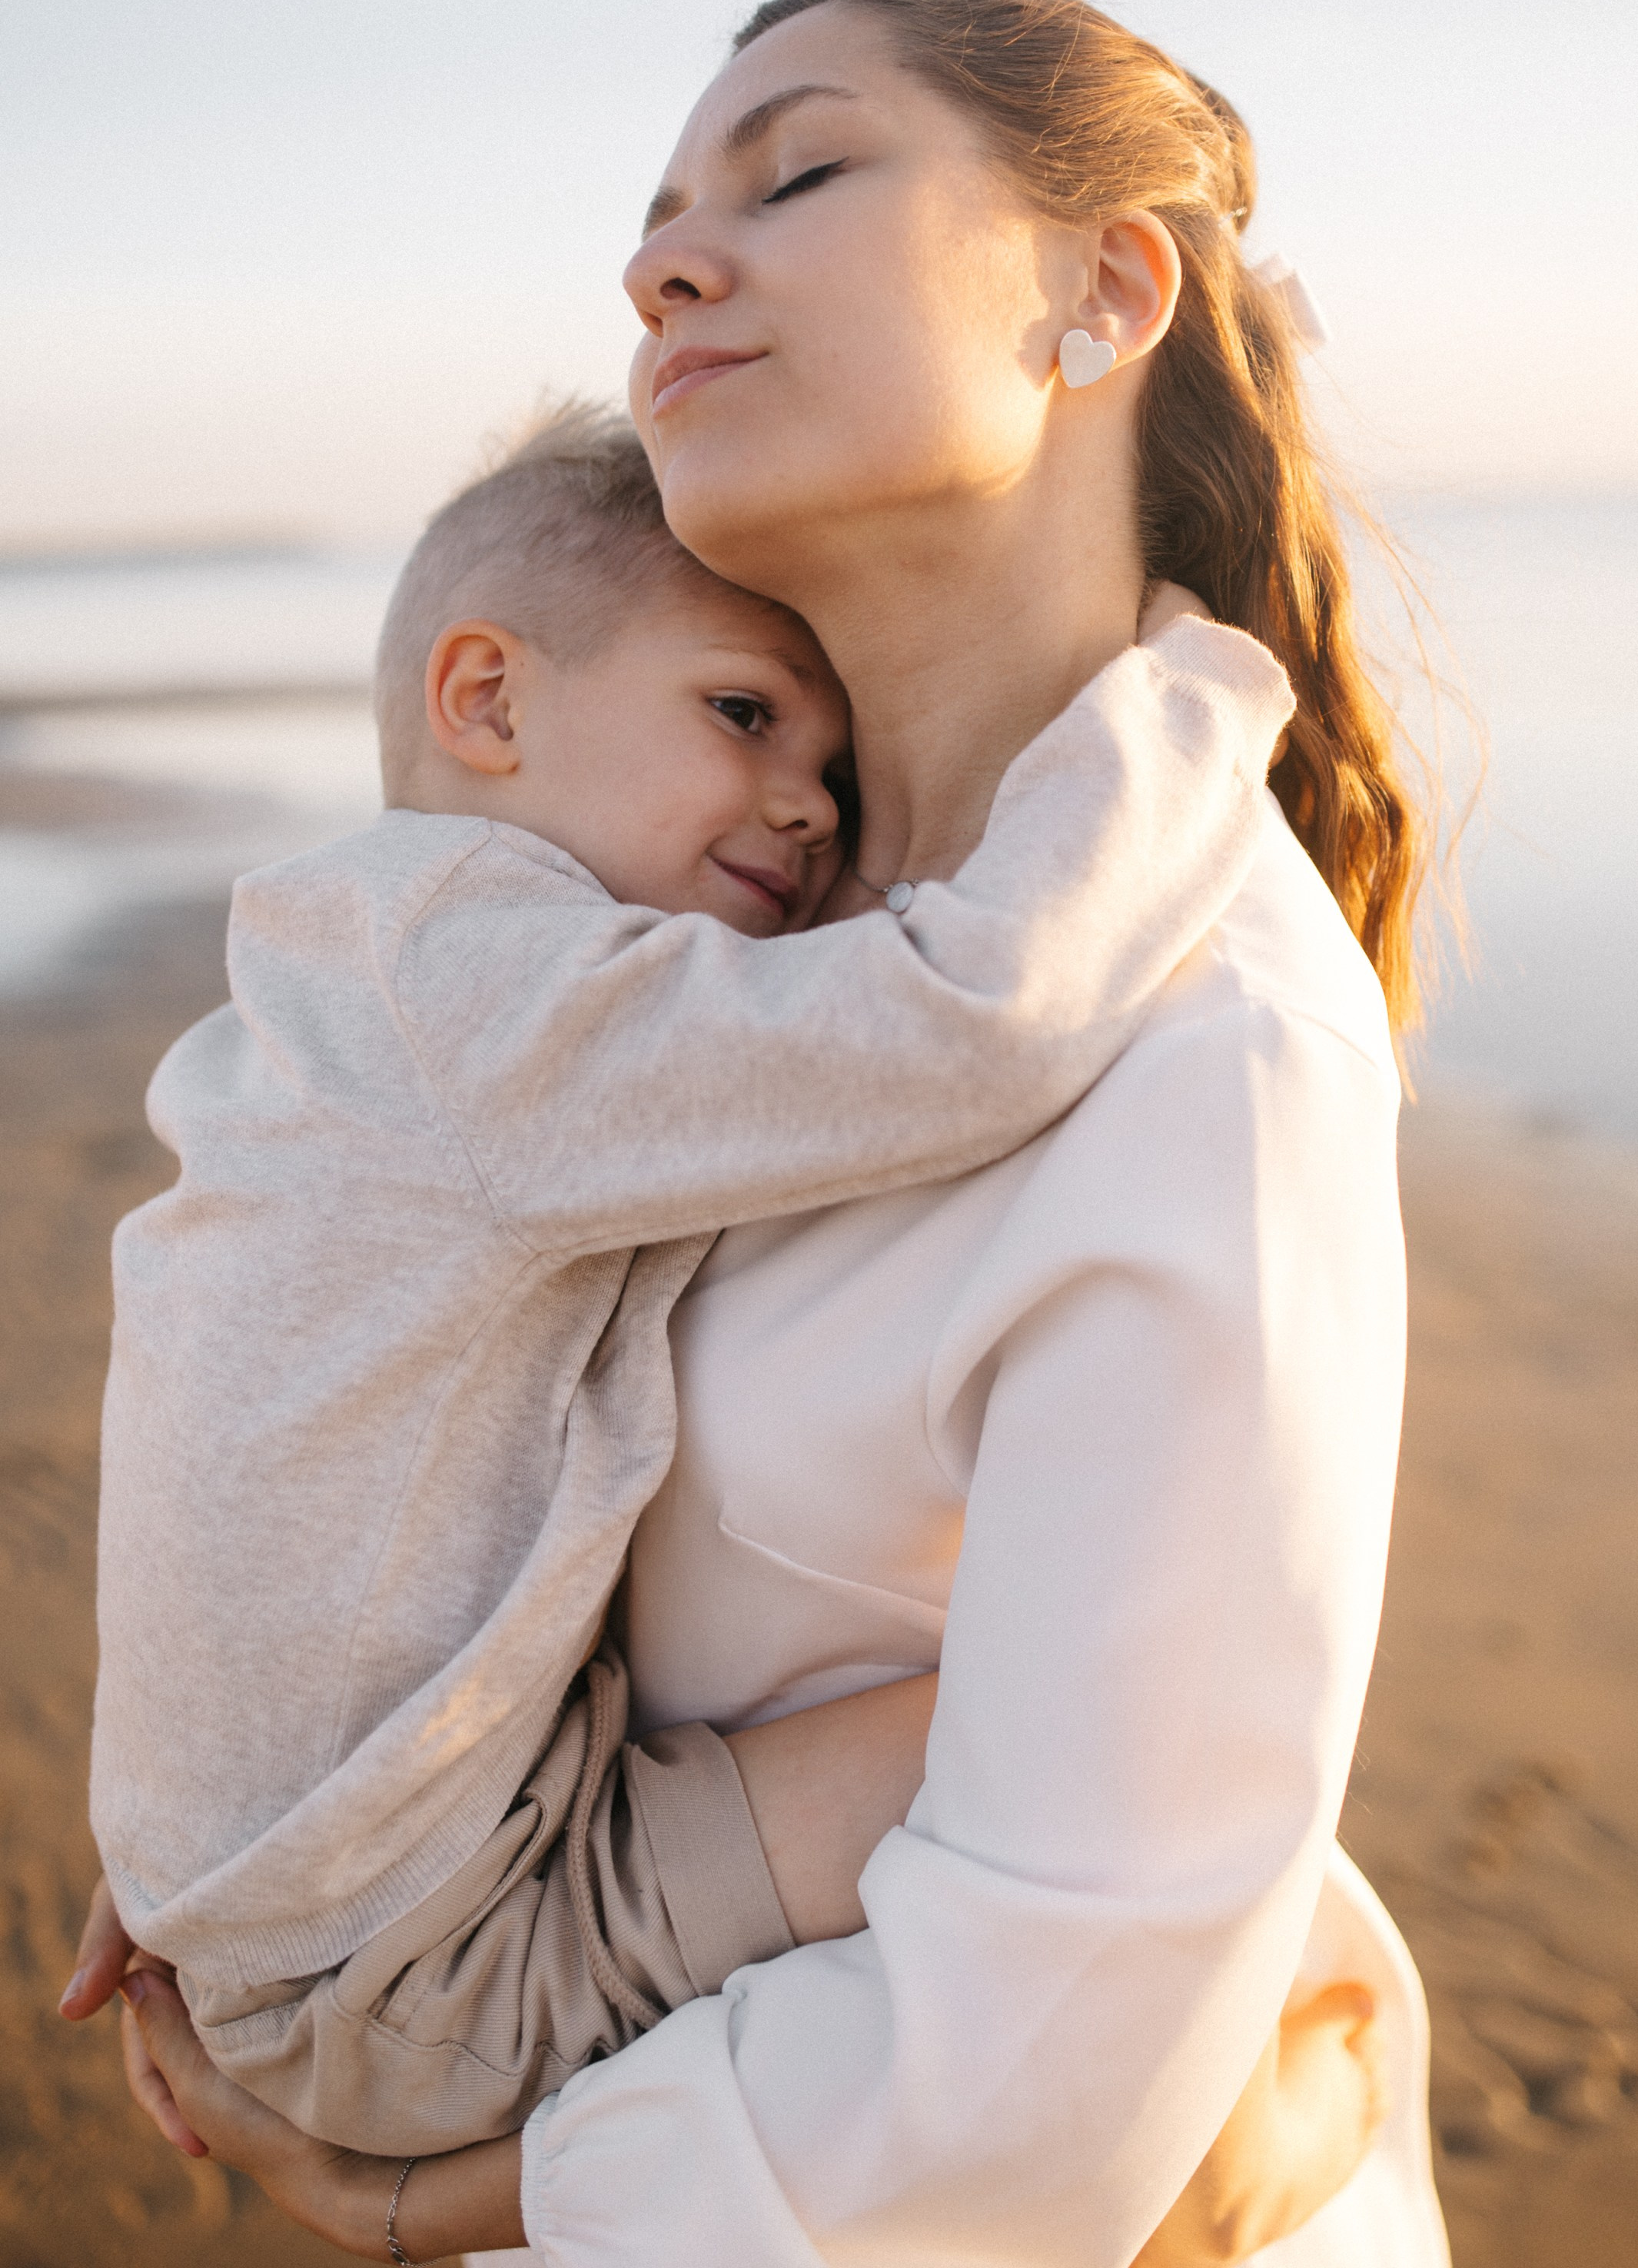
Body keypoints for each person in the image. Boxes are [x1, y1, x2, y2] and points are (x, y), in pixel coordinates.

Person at [80, 0, 1450, 2266]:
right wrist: (245, 1782)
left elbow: (1055, 2022)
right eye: (653, 217)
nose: (660, 260)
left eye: (797, 168)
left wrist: (446, 2198)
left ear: (1097, 295)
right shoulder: (741, 946)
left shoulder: (1192, 1039)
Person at [88, 396, 1291, 2158]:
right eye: (742, 714)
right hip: (411, 1967)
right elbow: (968, 1017)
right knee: (1105, 1715)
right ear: (486, 701)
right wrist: (1189, 695)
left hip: (286, 1885)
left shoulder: (356, 974)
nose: (806, 807)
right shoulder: (489, 1005)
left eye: (834, 761)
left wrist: (205, 1835)